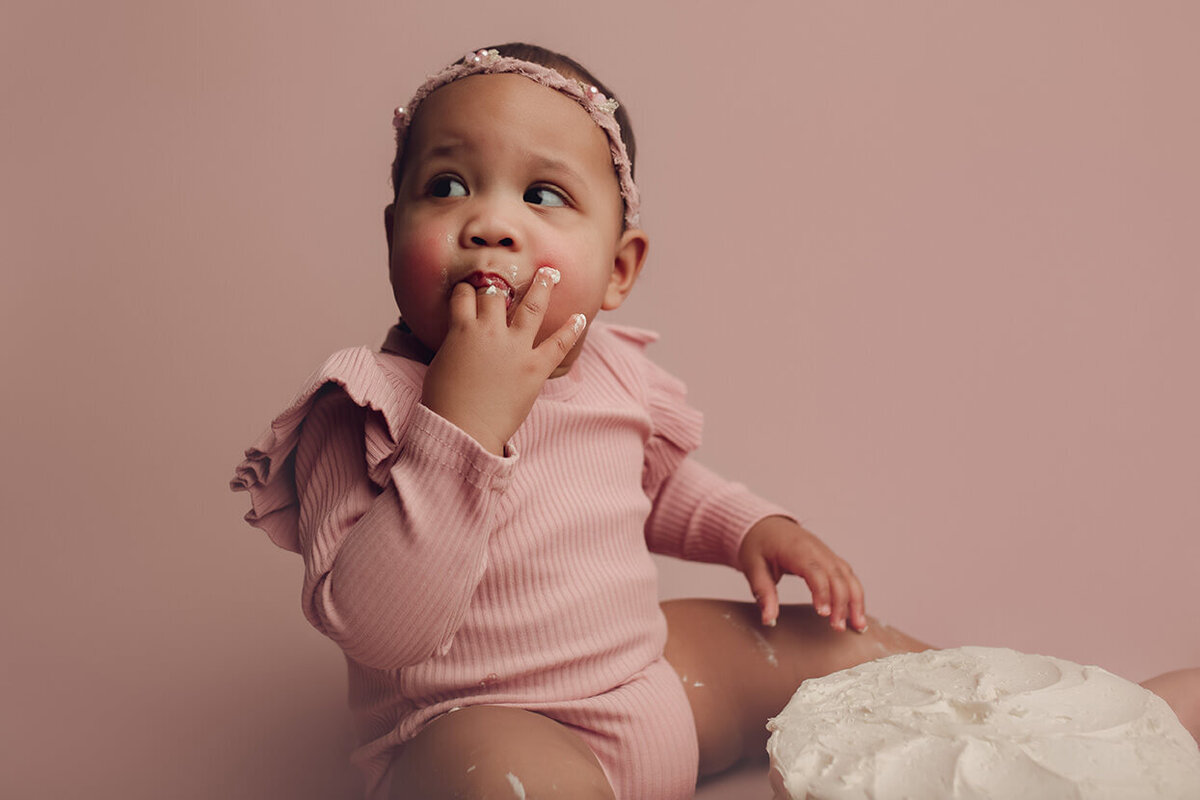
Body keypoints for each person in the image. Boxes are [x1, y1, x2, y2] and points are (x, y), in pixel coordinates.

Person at [231, 42, 1199, 800]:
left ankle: (1077, 730)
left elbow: (657, 484)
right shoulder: (361, 406)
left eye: (542, 195)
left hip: (651, 681)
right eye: (447, 186)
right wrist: (464, 420)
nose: (491, 222)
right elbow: (377, 623)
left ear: (618, 267)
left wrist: (750, 527)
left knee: (840, 646)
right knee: (510, 783)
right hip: (479, 723)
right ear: (392, 231)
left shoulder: (609, 368)